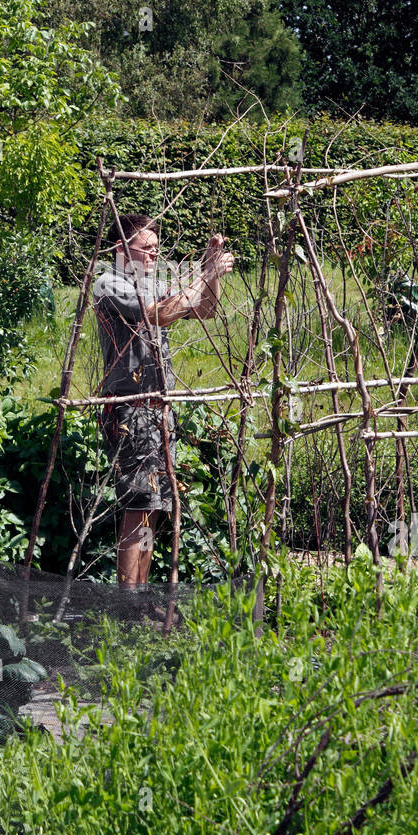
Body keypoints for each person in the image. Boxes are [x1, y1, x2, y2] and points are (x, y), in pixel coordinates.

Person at [92, 214, 234, 586]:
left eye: (157, 248)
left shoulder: (152, 283)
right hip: (129, 407)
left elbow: (204, 309)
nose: (154, 255)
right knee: (137, 505)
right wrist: (203, 274)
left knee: (154, 508)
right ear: (122, 249)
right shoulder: (109, 284)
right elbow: (158, 315)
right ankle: (128, 599)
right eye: (146, 248)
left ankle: (139, 593)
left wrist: (211, 270)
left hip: (158, 408)